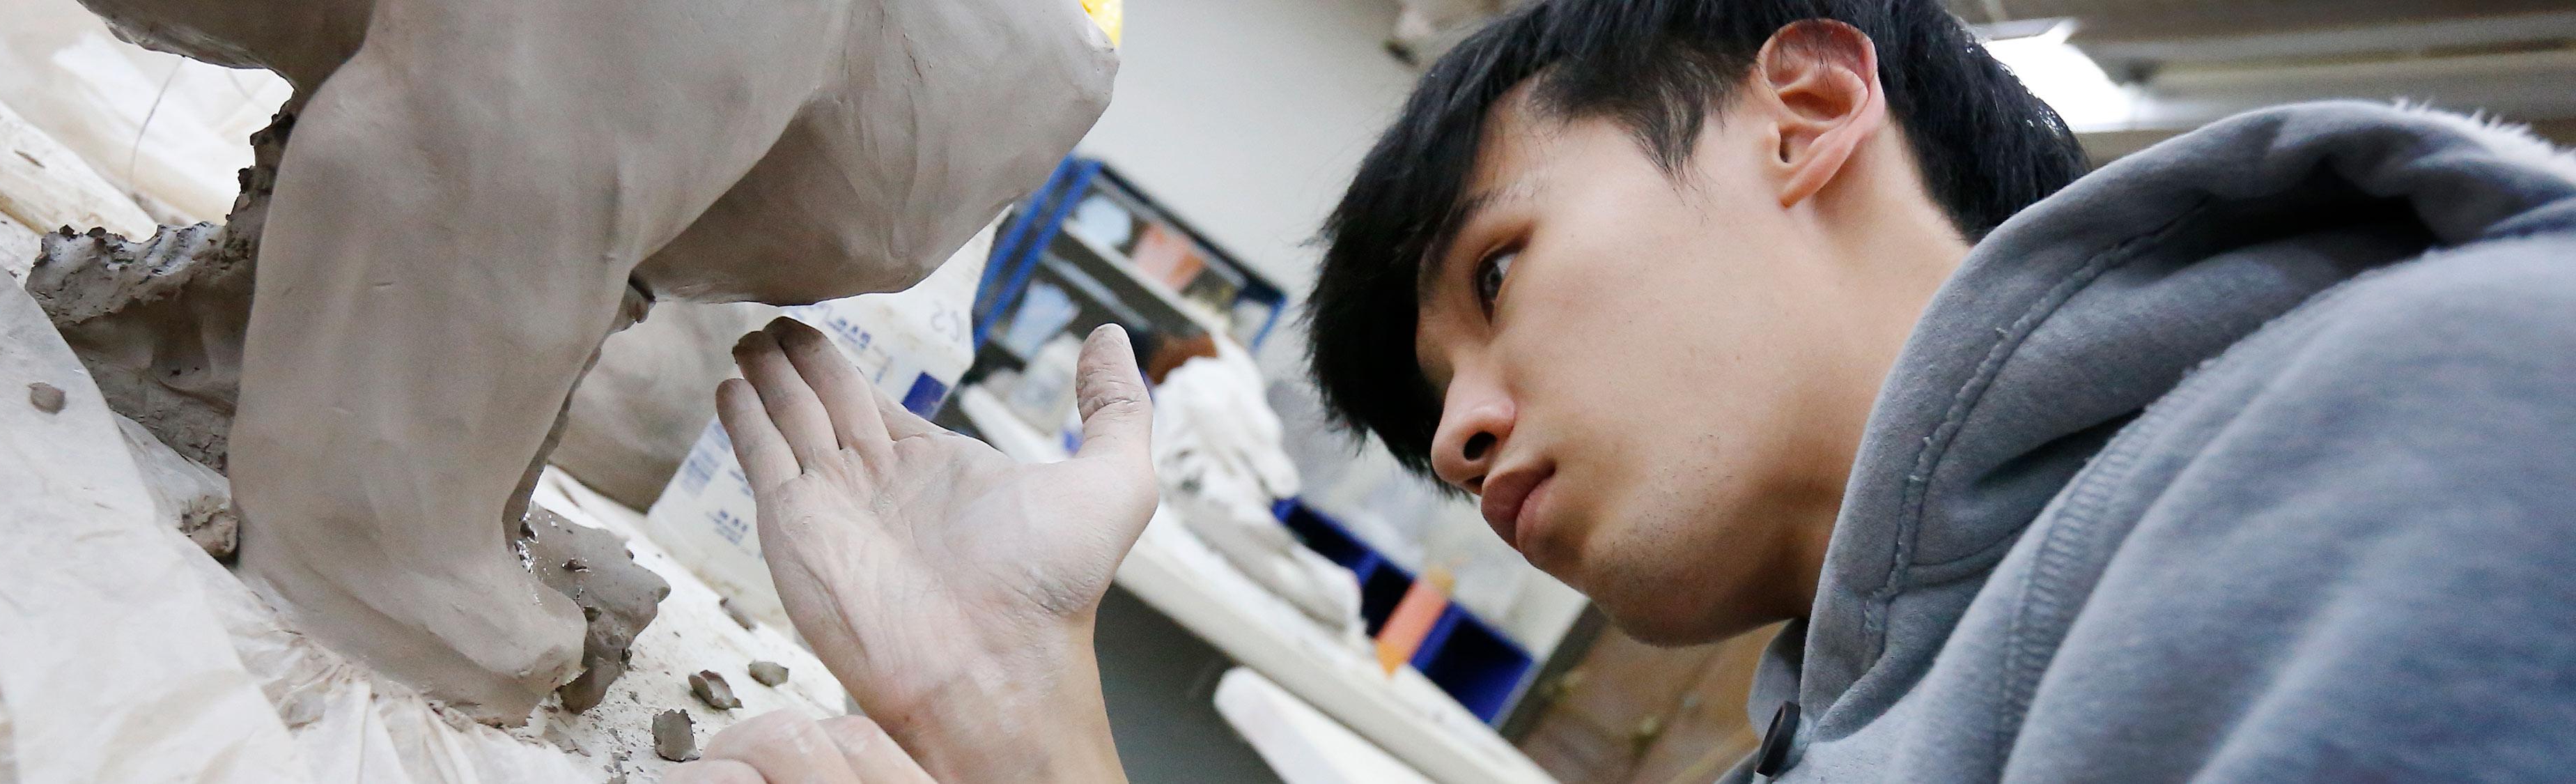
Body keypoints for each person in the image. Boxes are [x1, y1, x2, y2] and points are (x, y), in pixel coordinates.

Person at [674, 0, 2576, 781]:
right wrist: (1017, 713)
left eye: (1498, 278)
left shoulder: (2456, 408)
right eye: (1434, 412)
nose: (1469, 434)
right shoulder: (1847, 726)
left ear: (1806, 111)